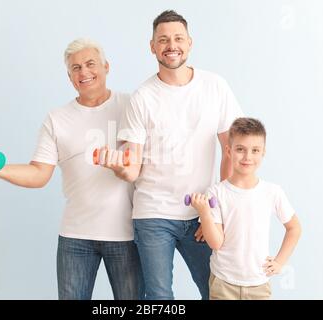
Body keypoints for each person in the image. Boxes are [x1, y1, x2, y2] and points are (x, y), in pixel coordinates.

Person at [0, 38, 144, 300]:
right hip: (75, 238)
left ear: (106, 66)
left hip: (126, 235)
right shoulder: (57, 118)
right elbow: (39, 173)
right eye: (75, 68)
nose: (83, 72)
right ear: (69, 77)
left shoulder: (131, 106)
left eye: (90, 64)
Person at [97, 10, 243, 300]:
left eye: (177, 38)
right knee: (159, 297)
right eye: (162, 40)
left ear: (189, 43)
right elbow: (132, 168)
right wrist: (117, 166)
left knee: (216, 291)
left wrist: (215, 212)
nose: (171, 45)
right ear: (152, 47)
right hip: (153, 214)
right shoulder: (142, 98)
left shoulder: (215, 86)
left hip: (201, 212)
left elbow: (232, 150)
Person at [189, 117, 302, 300]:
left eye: (255, 150)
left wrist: (280, 262)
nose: (248, 157)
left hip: (258, 284)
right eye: (240, 149)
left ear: (263, 152)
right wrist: (204, 213)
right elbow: (216, 243)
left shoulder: (272, 192)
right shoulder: (216, 193)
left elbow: (294, 228)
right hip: (223, 283)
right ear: (228, 151)